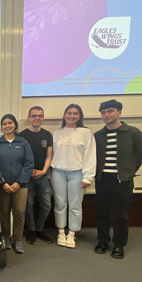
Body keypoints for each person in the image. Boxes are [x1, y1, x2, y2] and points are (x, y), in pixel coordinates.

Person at [94, 99, 142, 259]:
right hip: (102, 180)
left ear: (119, 112)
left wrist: (128, 170)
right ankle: (103, 240)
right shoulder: (98, 135)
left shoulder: (133, 132)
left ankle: (119, 244)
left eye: (110, 111)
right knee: (101, 212)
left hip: (122, 181)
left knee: (120, 214)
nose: (106, 115)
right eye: (103, 112)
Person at [51, 104, 96, 249]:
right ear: (64, 115)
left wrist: (87, 177)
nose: (72, 116)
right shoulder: (57, 133)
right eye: (69, 113)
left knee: (75, 206)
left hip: (77, 173)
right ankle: (61, 232)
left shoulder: (86, 133)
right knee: (60, 204)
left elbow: (90, 155)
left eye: (75, 113)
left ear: (80, 116)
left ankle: (71, 234)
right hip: (58, 172)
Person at [0, 114, 34, 254]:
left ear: (15, 125)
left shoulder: (23, 143)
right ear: (2, 127)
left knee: (19, 212)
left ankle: (18, 239)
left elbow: (29, 164)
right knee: (4, 212)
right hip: (2, 186)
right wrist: (2, 183)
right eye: (4, 124)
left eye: (10, 123)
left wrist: (19, 182)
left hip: (20, 185)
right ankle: (7, 238)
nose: (7, 126)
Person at [19, 106, 54, 245]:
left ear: (43, 118)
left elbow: (49, 155)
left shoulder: (47, 135)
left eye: (40, 116)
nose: (37, 118)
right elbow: (19, 158)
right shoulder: (22, 136)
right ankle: (32, 230)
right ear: (29, 118)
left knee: (46, 205)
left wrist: (43, 171)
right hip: (27, 176)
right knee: (28, 204)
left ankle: (40, 229)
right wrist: (29, 171)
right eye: (34, 116)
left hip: (43, 175)